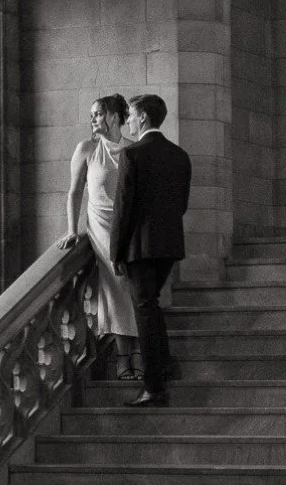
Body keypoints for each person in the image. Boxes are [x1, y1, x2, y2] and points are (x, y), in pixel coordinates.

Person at [110, 93, 192, 407]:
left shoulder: (132, 155)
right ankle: (167, 363)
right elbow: (181, 205)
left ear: (143, 117)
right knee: (150, 306)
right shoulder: (180, 155)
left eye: (130, 115)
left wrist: (115, 252)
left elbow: (122, 210)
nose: (128, 120)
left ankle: (154, 387)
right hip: (169, 246)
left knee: (144, 312)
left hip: (138, 249)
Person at [57, 94, 142, 379]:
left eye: (97, 114)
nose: (92, 119)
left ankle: (134, 355)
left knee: (133, 288)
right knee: (116, 288)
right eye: (92, 114)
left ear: (114, 117)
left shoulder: (134, 150)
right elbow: (74, 192)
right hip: (102, 228)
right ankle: (123, 358)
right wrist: (71, 229)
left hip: (129, 229)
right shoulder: (86, 149)